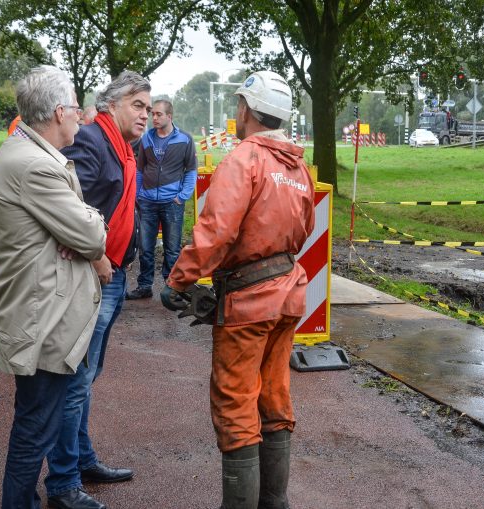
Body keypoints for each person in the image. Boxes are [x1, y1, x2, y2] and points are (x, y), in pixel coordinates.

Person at [162, 71, 315, 509]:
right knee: (274, 397)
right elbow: (302, 232)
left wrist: (179, 281)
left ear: (245, 110)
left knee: (236, 405)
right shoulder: (298, 167)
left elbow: (215, 233)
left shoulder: (244, 160)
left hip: (247, 305)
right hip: (287, 298)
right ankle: (275, 502)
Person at [0, 65, 106, 509]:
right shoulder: (36, 166)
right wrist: (82, 228)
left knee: (37, 423)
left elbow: (77, 228)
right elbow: (91, 235)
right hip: (43, 318)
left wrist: (72, 229)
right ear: (58, 112)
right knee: (34, 428)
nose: (79, 115)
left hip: (42, 312)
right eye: (75, 107)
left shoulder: (28, 155)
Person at [44, 71, 151, 509]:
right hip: (93, 276)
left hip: (113, 275)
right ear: (110, 106)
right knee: (74, 383)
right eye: (138, 105)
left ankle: (82, 460)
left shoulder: (125, 146)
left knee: (87, 380)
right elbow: (70, 208)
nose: (145, 113)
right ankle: (63, 484)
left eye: (148, 107)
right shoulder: (91, 140)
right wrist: (98, 256)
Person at [126, 99, 197, 300]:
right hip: (147, 201)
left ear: (169, 116)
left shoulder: (185, 139)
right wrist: (137, 194)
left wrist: (182, 196)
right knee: (145, 248)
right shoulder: (146, 138)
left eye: (158, 114)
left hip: (171, 203)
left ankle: (171, 289)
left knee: (172, 249)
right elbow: (140, 169)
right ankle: (145, 286)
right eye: (152, 114)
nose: (153, 117)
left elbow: (191, 170)